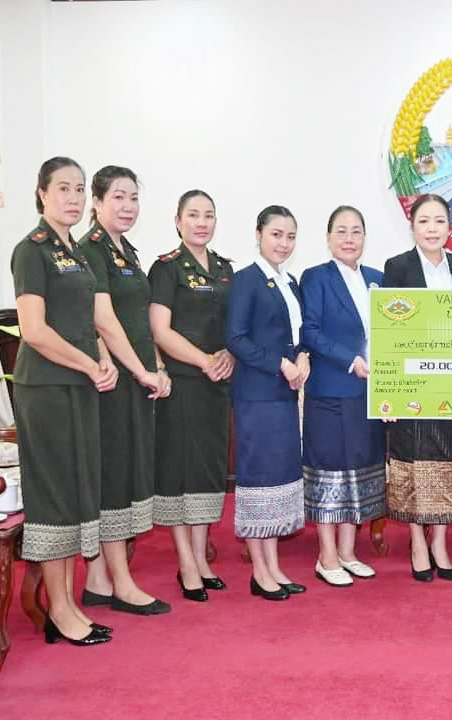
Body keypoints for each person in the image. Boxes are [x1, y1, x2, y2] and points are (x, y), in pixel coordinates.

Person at [12, 156, 116, 645]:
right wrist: (88, 365)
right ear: (42, 193)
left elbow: (86, 321)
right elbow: (33, 331)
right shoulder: (30, 251)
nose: (73, 198)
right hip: (47, 389)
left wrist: (104, 360)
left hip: (80, 385)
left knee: (76, 492)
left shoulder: (76, 252)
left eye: (79, 189)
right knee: (55, 495)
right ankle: (58, 609)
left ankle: (69, 601)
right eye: (63, 188)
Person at [79, 165, 171, 616]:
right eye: (118, 196)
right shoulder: (91, 249)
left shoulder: (126, 251)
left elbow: (138, 321)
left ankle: (97, 580)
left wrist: (156, 365)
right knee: (114, 476)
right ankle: (121, 583)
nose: (128, 206)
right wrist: (139, 371)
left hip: (134, 377)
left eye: (133, 197)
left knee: (127, 470)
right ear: (97, 202)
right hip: (110, 382)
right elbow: (103, 322)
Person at [382, 193, 452, 582]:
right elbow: (389, 328)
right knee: (414, 458)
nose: (432, 229)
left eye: (439, 221)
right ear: (412, 227)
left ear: (449, 227)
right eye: (424, 221)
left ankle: (440, 542)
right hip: (413, 380)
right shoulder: (397, 267)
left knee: (449, 459)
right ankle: (417, 541)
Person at [148, 190, 234, 602]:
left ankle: (202, 559)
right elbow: (159, 330)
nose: (202, 222)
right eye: (193, 215)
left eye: (209, 215)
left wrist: (229, 354)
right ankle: (185, 563)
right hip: (182, 384)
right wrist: (204, 360)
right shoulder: (166, 268)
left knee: (206, 473)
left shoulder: (225, 269)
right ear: (178, 221)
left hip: (217, 386)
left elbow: (236, 326)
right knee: (181, 473)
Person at [299, 205, 386, 587]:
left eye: (356, 231)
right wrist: (350, 361)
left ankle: (348, 552)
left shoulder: (378, 279)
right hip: (330, 391)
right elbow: (310, 332)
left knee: (359, 471)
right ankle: (327, 555)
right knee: (330, 472)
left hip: (369, 394)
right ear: (328, 237)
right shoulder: (316, 277)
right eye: (341, 231)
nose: (349, 238)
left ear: (365, 237)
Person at [226, 205, 309, 601]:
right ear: (258, 234)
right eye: (276, 234)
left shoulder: (289, 281)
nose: (284, 243)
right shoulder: (246, 280)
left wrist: (303, 356)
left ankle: (273, 567)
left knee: (279, 480)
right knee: (260, 479)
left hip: (284, 394)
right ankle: (259, 572)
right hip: (257, 394)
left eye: (290, 236)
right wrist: (280, 364)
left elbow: (298, 334)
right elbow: (235, 338)